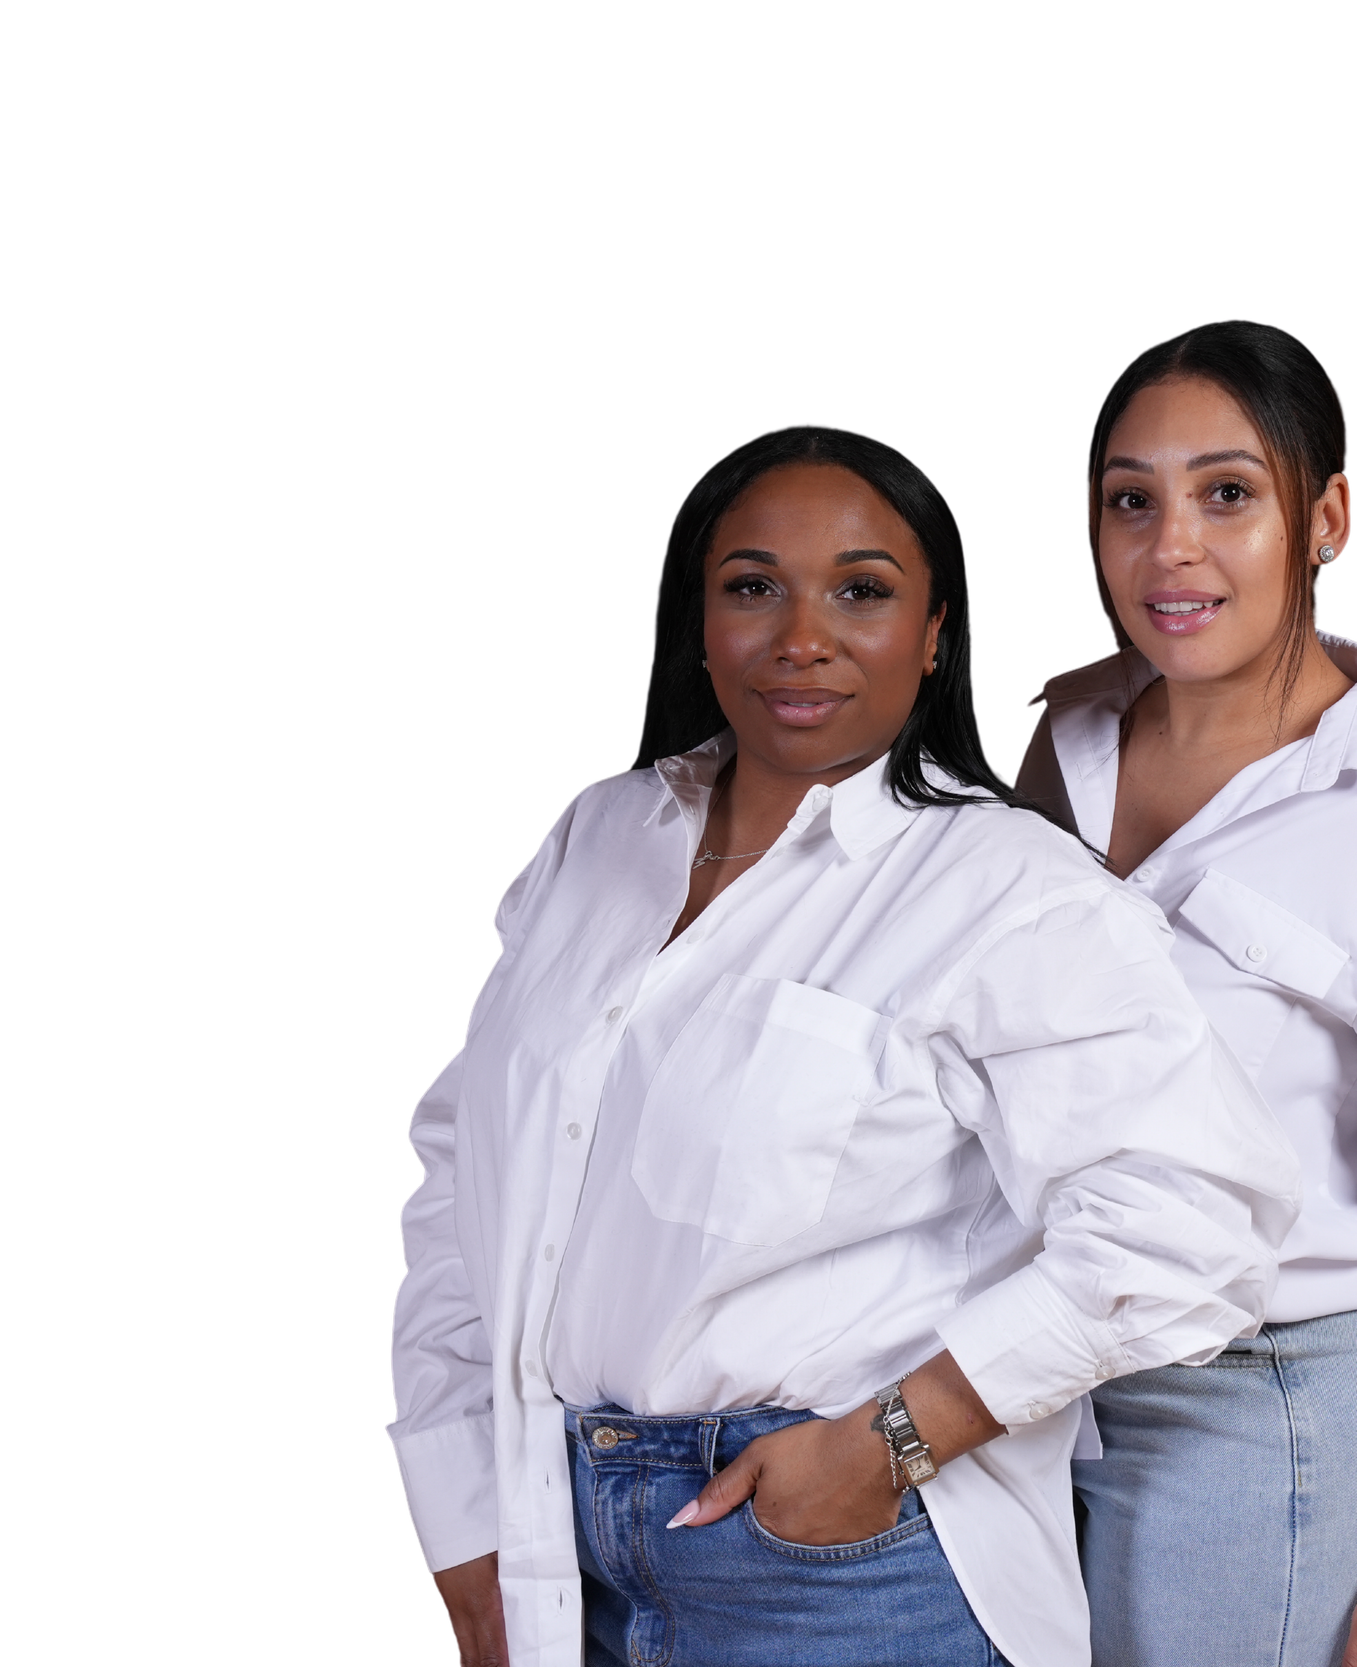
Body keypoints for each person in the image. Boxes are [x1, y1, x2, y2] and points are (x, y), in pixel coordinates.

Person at [387, 424, 1301, 1667]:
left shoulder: (1003, 886)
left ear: (934, 634)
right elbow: (459, 1176)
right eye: (752, 585)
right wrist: (459, 1505)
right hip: (556, 1537)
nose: (799, 636)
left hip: (840, 1570)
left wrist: (889, 1445)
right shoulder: (595, 840)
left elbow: (1198, 1213)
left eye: (862, 590)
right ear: (700, 618)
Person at [1020, 323, 1357, 1667]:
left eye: (1228, 494)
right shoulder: (1063, 738)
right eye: (1131, 499)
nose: (1170, 547)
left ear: (1325, 517)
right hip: (1030, 1386)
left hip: (1263, 1407)